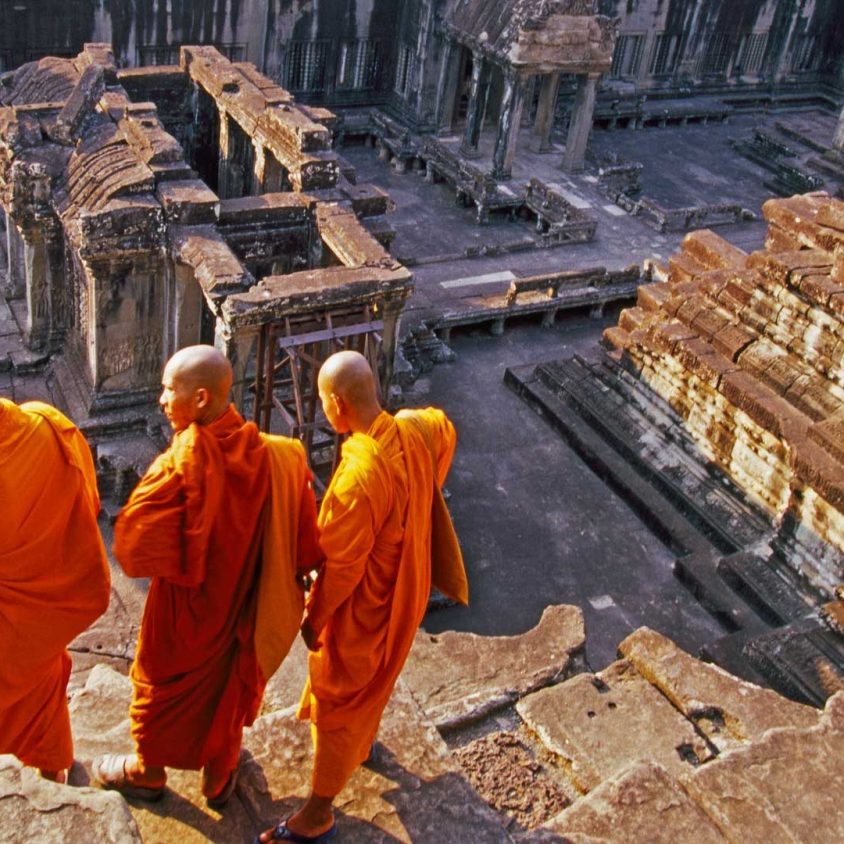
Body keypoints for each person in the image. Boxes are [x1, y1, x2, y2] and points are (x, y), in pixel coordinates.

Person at [92, 345, 321, 806]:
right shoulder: (283, 459)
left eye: (167, 390)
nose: (160, 399)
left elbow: (133, 551)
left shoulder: (181, 465)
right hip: (241, 614)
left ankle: (147, 771)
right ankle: (219, 777)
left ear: (199, 399)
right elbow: (305, 548)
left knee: (157, 690)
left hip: (181, 620)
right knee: (227, 692)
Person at [257, 350, 465, 844]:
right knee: (378, 675)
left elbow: (342, 570)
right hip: (404, 591)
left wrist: (311, 623)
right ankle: (364, 740)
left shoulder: (357, 478)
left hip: (365, 608)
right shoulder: (413, 429)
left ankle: (317, 813)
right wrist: (419, 497)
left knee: (336, 699)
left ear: (334, 404)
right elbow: (446, 431)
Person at [0, 398, 111, 782]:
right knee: (43, 684)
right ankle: (51, 768)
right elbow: (86, 496)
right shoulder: (46, 422)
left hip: (10, 616)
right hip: (50, 604)